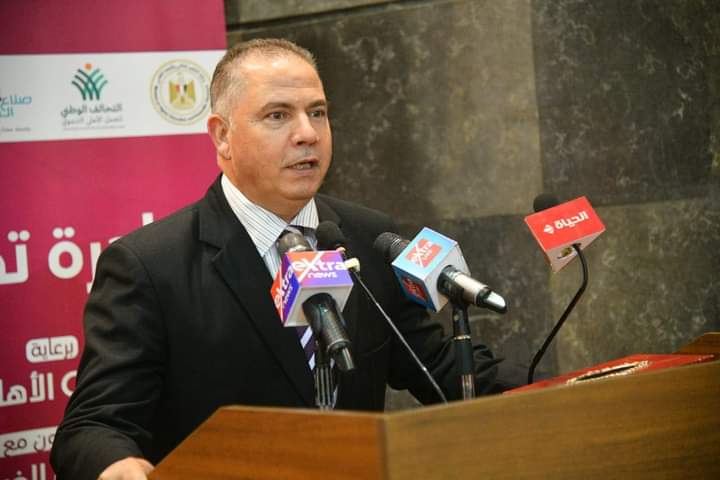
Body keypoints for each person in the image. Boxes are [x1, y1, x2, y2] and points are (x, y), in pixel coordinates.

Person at [50, 38, 518, 480]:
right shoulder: (149, 266)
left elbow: (437, 365)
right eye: (278, 115)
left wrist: (552, 388)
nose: (307, 134)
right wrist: (116, 463)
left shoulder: (369, 237)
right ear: (222, 136)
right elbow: (92, 426)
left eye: (318, 112)